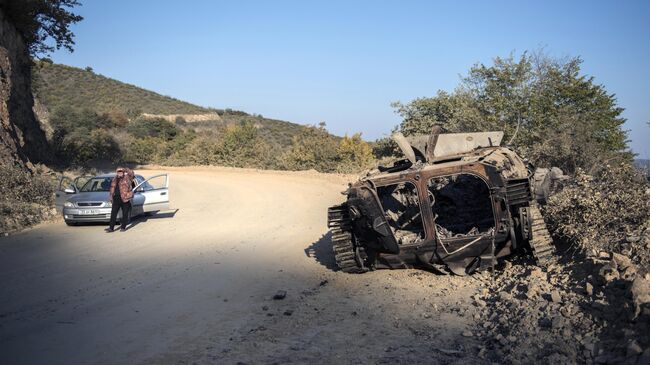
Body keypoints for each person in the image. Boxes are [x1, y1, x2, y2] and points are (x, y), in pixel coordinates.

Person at [106, 167, 136, 232]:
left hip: (125, 198)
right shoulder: (114, 179)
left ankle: (123, 227)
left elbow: (132, 174)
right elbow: (112, 188)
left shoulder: (128, 177)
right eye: (118, 172)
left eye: (121, 172)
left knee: (125, 213)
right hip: (116, 198)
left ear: (123, 172)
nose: (119, 173)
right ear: (117, 173)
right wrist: (111, 196)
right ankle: (111, 228)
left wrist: (125, 169)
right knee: (113, 213)